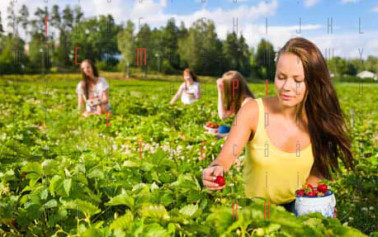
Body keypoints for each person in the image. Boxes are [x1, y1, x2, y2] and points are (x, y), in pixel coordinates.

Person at [201, 37, 354, 216]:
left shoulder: (319, 120)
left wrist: (313, 203)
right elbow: (223, 160)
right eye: (281, 77)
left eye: (297, 80)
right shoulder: (252, 112)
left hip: (295, 205)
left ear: (313, 82)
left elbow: (317, 169)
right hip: (254, 211)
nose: (287, 87)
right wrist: (215, 170)